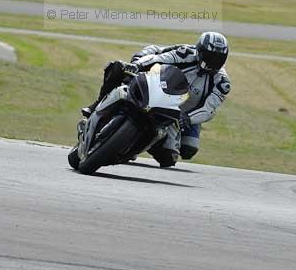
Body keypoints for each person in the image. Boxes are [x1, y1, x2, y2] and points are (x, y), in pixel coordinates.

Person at [82, 31, 231, 168]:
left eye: (218, 58)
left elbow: (209, 109)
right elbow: (159, 58)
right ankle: (97, 104)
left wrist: (188, 118)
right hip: (155, 80)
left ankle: (138, 144)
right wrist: (137, 65)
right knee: (117, 68)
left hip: (179, 112)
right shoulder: (185, 54)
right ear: (200, 51)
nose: (213, 62)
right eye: (210, 56)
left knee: (178, 154)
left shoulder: (222, 82)